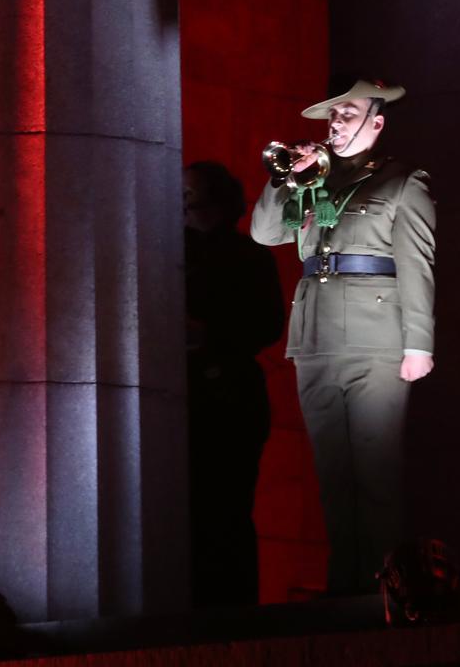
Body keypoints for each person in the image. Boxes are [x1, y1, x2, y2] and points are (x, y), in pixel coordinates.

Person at [251, 78, 436, 595]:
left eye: (347, 114)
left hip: (377, 340)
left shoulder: (402, 181)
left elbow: (416, 266)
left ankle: (387, 589)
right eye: (332, 116)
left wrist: (418, 344)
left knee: (376, 474)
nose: (335, 124)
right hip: (315, 340)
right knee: (333, 478)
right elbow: (264, 234)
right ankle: (344, 593)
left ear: (375, 123)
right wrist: (289, 178)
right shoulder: (315, 180)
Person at [184, 161, 284, 607]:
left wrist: (211, 335)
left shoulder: (248, 256)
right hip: (189, 397)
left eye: (190, 196)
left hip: (227, 398)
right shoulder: (170, 254)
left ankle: (231, 608)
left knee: (225, 508)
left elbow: (266, 324)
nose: (184, 206)